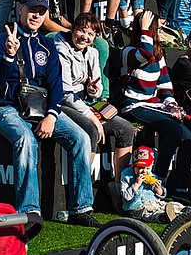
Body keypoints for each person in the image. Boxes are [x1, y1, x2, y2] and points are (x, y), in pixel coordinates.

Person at [0, 0, 100, 226]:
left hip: (40, 109)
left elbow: (56, 87)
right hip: (6, 108)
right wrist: (9, 55)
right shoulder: (1, 40)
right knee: (26, 139)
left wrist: (51, 115)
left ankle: (81, 208)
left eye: (41, 11)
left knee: (81, 137)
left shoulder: (46, 45)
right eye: (31, 9)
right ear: (20, 9)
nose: (36, 15)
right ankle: (30, 211)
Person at [120, 11, 191, 201]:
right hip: (134, 106)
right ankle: (158, 179)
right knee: (174, 132)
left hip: (154, 106)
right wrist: (145, 27)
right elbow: (146, 53)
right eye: (157, 29)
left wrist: (171, 105)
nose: (161, 32)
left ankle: (181, 190)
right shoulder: (130, 52)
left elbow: (165, 86)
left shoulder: (159, 56)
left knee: (187, 137)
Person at [55, 13, 134, 180]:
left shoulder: (92, 52)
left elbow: (97, 91)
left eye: (90, 34)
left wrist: (93, 89)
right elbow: (66, 94)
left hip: (84, 102)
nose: (84, 37)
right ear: (73, 30)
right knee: (91, 129)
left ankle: (123, 187)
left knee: (126, 128)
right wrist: (93, 118)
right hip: (63, 103)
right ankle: (84, 189)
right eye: (81, 31)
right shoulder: (61, 49)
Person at [117, 146, 191, 223]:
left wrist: (159, 190)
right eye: (140, 168)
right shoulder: (126, 176)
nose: (144, 171)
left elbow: (162, 194)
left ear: (152, 165)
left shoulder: (153, 176)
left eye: (147, 168)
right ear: (133, 165)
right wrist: (136, 184)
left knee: (174, 205)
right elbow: (126, 196)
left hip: (155, 203)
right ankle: (164, 217)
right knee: (150, 214)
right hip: (137, 207)